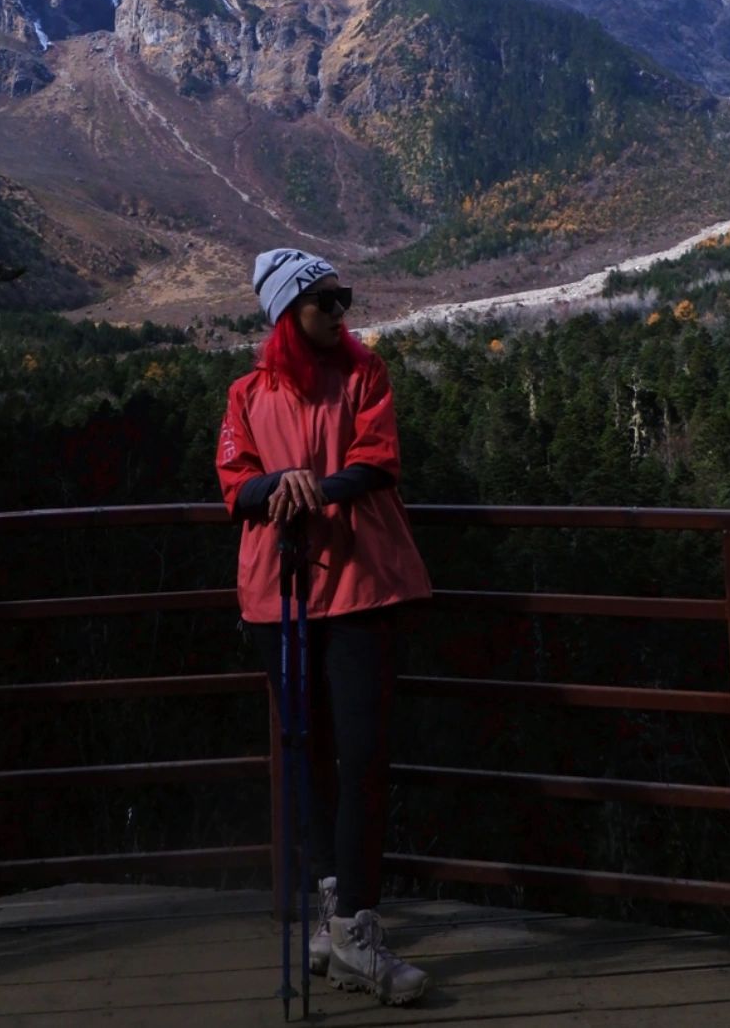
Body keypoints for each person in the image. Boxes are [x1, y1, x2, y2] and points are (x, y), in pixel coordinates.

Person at [216, 247, 434, 1007]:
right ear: (287, 313)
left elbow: (378, 462)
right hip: (279, 593)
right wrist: (279, 484)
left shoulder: (366, 374)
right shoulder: (246, 392)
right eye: (326, 302)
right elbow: (236, 484)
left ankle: (351, 922)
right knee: (306, 751)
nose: (343, 313)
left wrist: (306, 489)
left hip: (362, 585)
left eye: (345, 298)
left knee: (365, 753)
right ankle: (340, 915)